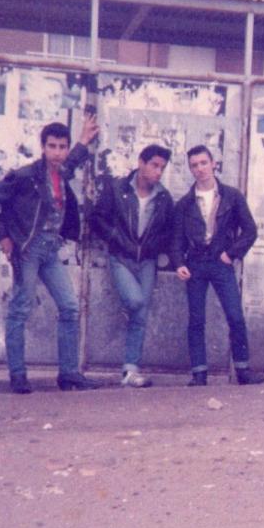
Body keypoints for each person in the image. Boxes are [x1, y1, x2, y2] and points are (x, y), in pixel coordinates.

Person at [0, 116, 101, 394]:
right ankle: (18, 375)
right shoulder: (25, 176)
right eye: (52, 146)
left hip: (50, 249)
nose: (57, 152)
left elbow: (71, 163)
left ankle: (69, 374)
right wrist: (4, 238)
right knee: (20, 308)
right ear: (43, 147)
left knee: (70, 306)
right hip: (29, 249)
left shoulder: (62, 171)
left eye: (62, 147)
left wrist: (83, 140)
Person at [171, 145, 263, 387]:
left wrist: (231, 254)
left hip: (220, 263)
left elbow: (251, 231)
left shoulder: (232, 196)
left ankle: (243, 370)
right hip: (196, 265)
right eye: (194, 165)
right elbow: (176, 240)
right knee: (196, 319)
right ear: (190, 169)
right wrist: (179, 263)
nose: (200, 169)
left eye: (203, 163)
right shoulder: (184, 204)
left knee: (235, 315)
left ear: (213, 164)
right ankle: (199, 374)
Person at [91, 144, 175, 388]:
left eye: (162, 167)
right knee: (136, 302)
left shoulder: (163, 198)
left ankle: (130, 370)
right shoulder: (117, 189)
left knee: (140, 316)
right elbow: (97, 218)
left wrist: (154, 247)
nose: (158, 171)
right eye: (154, 165)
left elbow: (169, 232)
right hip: (121, 257)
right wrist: (115, 238)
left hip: (147, 261)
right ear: (141, 162)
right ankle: (130, 365)